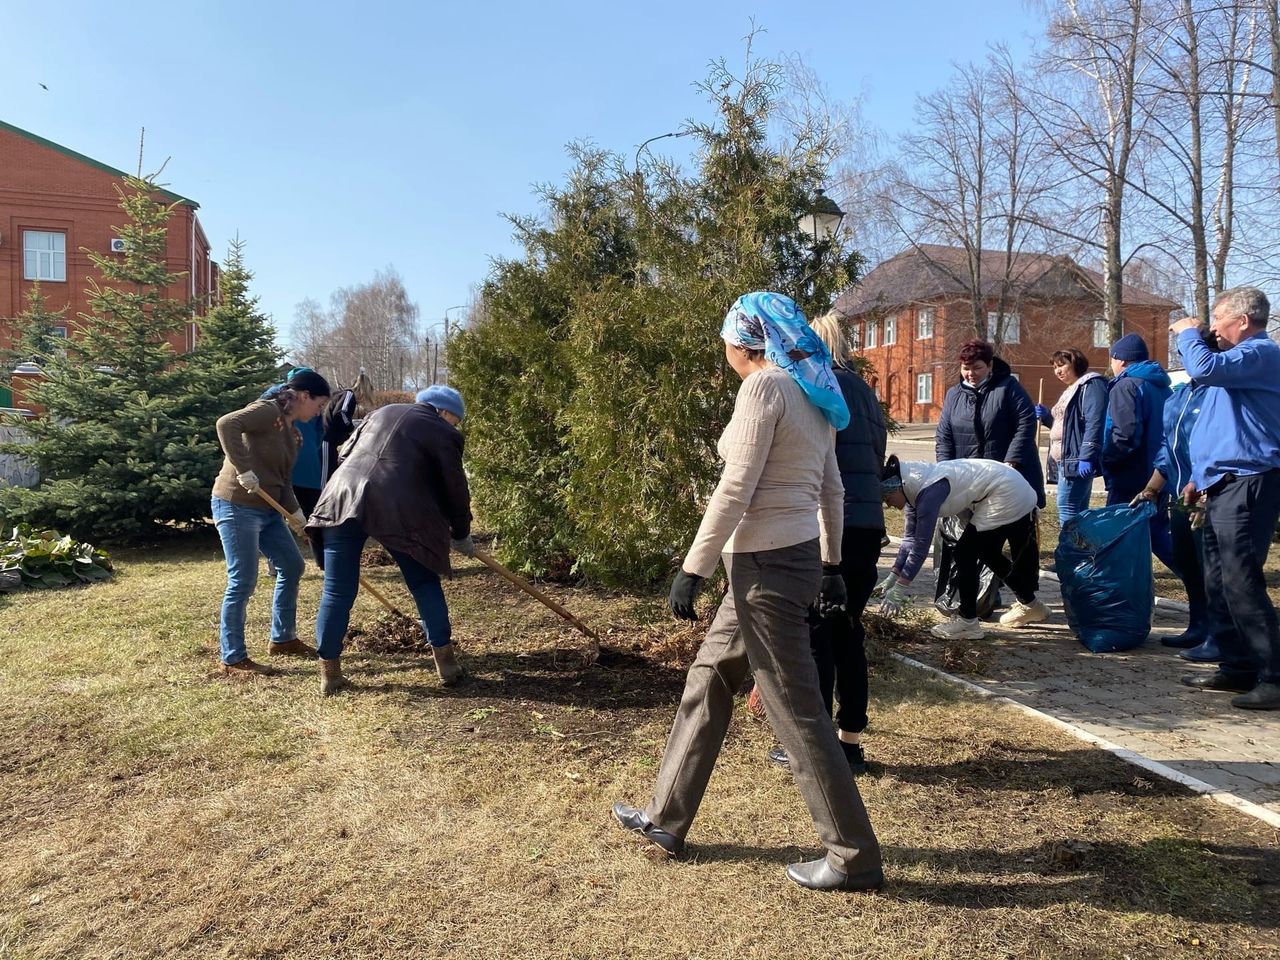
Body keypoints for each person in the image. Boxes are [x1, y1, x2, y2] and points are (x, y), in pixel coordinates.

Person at [611, 291, 883, 893]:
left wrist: (693, 566)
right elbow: (832, 490)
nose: (726, 355)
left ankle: (853, 856)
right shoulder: (816, 396)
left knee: (796, 707)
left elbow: (737, 485)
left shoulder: (765, 388)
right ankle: (666, 817)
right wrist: (833, 563)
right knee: (708, 676)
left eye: (728, 345)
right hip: (780, 564)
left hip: (763, 567)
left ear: (743, 343)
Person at [765, 312, 887, 776]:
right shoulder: (865, 392)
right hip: (868, 524)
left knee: (817, 634)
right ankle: (850, 741)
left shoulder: (816, 390)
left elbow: (817, 466)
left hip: (830, 525)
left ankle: (815, 748)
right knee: (849, 631)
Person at [306, 385, 475, 694]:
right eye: (456, 420)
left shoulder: (378, 414)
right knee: (424, 584)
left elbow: (345, 452)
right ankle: (447, 665)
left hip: (340, 497)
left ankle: (329, 675)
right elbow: (454, 487)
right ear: (445, 412)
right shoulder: (442, 431)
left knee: (337, 590)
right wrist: (461, 533)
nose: (455, 426)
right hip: (398, 509)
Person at [1172, 287, 1280, 711]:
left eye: (1218, 318)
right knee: (1216, 579)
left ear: (1243, 321)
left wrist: (1186, 332)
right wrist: (1200, 476)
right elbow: (1220, 426)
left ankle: (1273, 675)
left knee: (1241, 578)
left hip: (1251, 481)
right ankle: (1236, 667)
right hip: (1222, 483)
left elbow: (1201, 366)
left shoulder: (1259, 354)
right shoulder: (1234, 368)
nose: (1213, 327)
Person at [211, 369, 332, 677]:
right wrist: (243, 469)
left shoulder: (295, 435)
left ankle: (283, 639)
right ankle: (233, 657)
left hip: (267, 509)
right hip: (236, 504)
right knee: (243, 580)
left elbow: (283, 480)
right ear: (304, 396)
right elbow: (226, 423)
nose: (319, 411)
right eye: (318, 404)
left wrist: (298, 516)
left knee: (292, 565)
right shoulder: (268, 410)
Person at [1130, 325, 1238, 662]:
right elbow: (1167, 447)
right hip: (1180, 493)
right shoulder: (1178, 395)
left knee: (1212, 570)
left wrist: (1210, 486)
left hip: (1209, 495)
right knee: (1189, 564)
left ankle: (1222, 637)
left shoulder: (1220, 394)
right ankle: (1198, 626)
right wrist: (1152, 488)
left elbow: (1222, 445)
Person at [879, 456, 1046, 640]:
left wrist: (901, 588)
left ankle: (968, 623)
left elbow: (920, 548)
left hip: (1007, 493)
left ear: (898, 487)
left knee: (964, 553)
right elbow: (909, 539)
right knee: (987, 553)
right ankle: (1031, 605)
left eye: (887, 497)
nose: (889, 504)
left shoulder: (928, 493)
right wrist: (893, 576)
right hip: (1007, 489)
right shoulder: (912, 490)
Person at [937, 339, 1045, 508]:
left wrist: (1011, 462)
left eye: (977, 368)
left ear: (990, 365)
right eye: (966, 368)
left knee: (1017, 527)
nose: (971, 373)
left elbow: (1026, 422)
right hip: (970, 478)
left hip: (1011, 474)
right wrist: (945, 468)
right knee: (977, 530)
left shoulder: (1008, 387)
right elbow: (944, 435)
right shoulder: (953, 394)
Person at [1102, 333, 1175, 570]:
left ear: (1120, 360)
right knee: (1154, 530)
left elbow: (1126, 433)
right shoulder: (1161, 386)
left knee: (1120, 535)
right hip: (1159, 472)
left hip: (1131, 473)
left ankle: (1202, 581)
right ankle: (1203, 582)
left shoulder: (1126, 385)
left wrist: (1108, 459)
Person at [1033, 348, 1106, 527]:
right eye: (1055, 367)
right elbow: (1068, 427)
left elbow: (1094, 421)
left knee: (1067, 507)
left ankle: (1071, 552)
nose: (1057, 371)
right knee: (1077, 509)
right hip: (1065, 459)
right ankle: (1081, 551)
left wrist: (1087, 456)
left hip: (1075, 459)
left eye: (1061, 365)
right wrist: (1048, 417)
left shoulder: (1090, 385)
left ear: (1075, 363)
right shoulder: (1071, 389)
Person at [262, 367, 326, 516]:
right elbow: (320, 433)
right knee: (309, 515)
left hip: (285, 468)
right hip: (308, 468)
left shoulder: (276, 397)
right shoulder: (310, 403)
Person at [320, 369, 376, 486]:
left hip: (332, 442)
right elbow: (341, 413)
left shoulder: (348, 397)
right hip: (327, 440)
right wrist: (351, 429)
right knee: (325, 475)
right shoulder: (348, 395)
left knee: (331, 471)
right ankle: (320, 500)